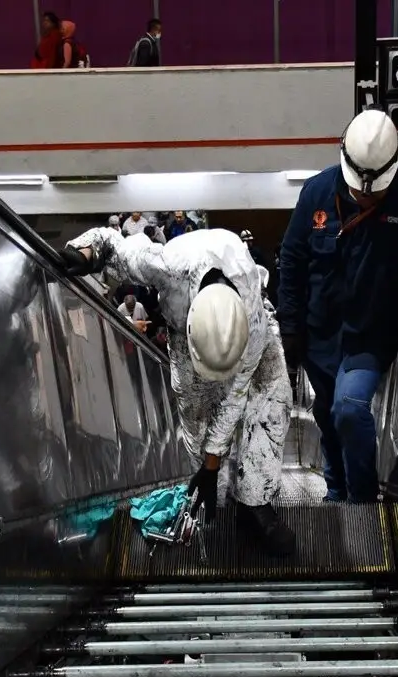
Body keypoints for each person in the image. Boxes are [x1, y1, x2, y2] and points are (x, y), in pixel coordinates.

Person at [58, 227, 295, 557]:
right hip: (184, 335)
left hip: (250, 336)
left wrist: (213, 465)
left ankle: (255, 502)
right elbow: (111, 244)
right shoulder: (166, 266)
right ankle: (212, 491)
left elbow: (235, 397)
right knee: (196, 420)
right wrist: (84, 252)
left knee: (271, 402)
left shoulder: (251, 324)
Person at [277, 109, 398, 504]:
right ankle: (335, 491)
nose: (366, 195)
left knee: (349, 410)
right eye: (360, 189)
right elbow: (292, 261)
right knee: (327, 416)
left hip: (369, 335)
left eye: (375, 190)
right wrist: (291, 330)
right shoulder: (316, 194)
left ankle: (364, 503)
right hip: (319, 336)